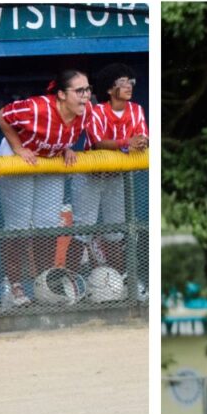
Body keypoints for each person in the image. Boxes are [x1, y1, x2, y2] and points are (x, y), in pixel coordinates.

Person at [0, 70, 90, 303]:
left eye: (87, 89)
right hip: (20, 157)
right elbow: (3, 115)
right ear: (60, 94)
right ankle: (13, 287)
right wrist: (17, 147)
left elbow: (66, 134)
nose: (85, 95)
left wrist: (67, 147)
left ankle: (45, 285)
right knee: (18, 226)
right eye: (79, 91)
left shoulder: (84, 112)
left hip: (50, 159)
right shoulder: (38, 108)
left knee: (47, 224)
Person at [72, 63, 147, 274]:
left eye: (130, 82)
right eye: (122, 82)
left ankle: (122, 280)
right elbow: (98, 141)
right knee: (82, 231)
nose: (128, 86)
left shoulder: (136, 109)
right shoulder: (96, 111)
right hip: (90, 174)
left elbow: (142, 136)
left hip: (116, 176)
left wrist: (141, 142)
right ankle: (68, 281)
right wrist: (126, 143)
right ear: (108, 89)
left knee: (116, 230)